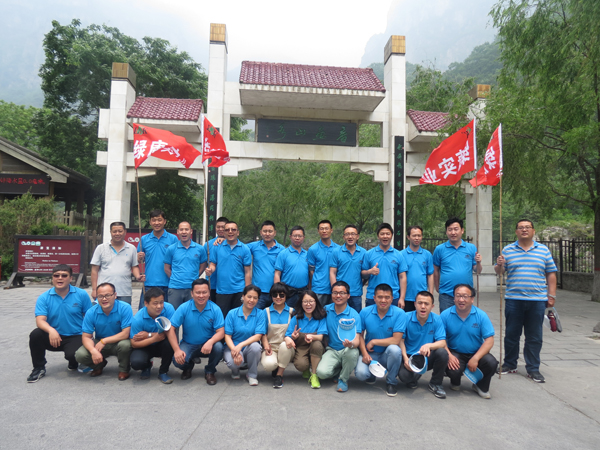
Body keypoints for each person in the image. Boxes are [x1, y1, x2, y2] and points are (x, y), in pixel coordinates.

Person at [495, 219, 557, 383]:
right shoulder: (508, 250)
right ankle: (510, 364)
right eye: (521, 227)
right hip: (514, 299)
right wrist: (499, 265)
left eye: (527, 227)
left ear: (533, 231)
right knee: (511, 334)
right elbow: (499, 272)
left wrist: (551, 295)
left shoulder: (543, 250)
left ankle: (533, 368)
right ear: (516, 231)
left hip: (537, 300)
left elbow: (551, 273)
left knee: (534, 336)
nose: (524, 230)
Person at [27, 264, 93, 383]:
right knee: (36, 334)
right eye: (56, 275)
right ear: (52, 278)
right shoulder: (44, 297)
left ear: (71, 278)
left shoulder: (81, 294)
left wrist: (89, 336)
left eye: (64, 275)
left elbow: (89, 317)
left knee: (73, 354)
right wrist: (51, 330)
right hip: (54, 336)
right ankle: (38, 368)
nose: (60, 278)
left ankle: (73, 361)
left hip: (75, 335)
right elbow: (40, 320)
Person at [441, 284, 498, 399]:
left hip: (476, 352)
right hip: (455, 352)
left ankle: (480, 385)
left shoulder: (481, 315)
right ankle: (455, 381)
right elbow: (440, 338)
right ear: (454, 298)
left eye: (465, 296)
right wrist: (449, 355)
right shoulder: (445, 315)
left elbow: (489, 340)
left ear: (472, 299)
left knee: (491, 363)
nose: (461, 299)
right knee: (452, 368)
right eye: (458, 296)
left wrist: (476, 358)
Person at [167, 279, 225, 385]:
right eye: (198, 292)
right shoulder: (184, 307)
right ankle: (188, 367)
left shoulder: (215, 309)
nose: (201, 296)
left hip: (208, 345)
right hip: (188, 344)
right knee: (177, 360)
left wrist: (210, 342)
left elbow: (221, 331)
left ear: (209, 293)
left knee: (218, 348)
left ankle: (210, 371)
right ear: (192, 294)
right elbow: (171, 328)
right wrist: (176, 350)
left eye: (204, 292)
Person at [355, 283, 406, 397]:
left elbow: (396, 340)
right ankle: (372, 374)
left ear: (392, 298)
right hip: (371, 354)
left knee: (395, 350)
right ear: (374, 298)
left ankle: (391, 382)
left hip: (387, 355)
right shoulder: (365, 312)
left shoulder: (399, 313)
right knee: (361, 374)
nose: (383, 300)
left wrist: (374, 342)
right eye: (380, 297)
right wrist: (364, 354)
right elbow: (360, 336)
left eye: (387, 297)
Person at [75, 282, 133, 380]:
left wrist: (104, 341)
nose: (104, 299)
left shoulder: (125, 308)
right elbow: (86, 336)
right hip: (100, 341)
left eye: (108, 295)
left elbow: (125, 333)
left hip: (119, 341)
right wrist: (93, 351)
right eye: (100, 296)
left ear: (115, 295)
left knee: (125, 345)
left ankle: (124, 369)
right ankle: (98, 365)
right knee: (80, 355)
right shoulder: (91, 312)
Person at [398, 291, 448, 399]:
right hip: (409, 356)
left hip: (426, 356)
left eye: (426, 304)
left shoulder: (437, 319)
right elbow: (400, 340)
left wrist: (429, 346)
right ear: (415, 304)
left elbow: (442, 342)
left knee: (442, 352)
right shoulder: (405, 317)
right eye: (420, 303)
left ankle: (435, 383)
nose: (423, 306)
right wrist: (405, 359)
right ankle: (413, 376)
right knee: (405, 377)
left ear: (432, 306)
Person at [316, 281, 362, 393]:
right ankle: (338, 370)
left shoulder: (354, 314)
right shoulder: (326, 310)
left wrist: (351, 344)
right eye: (335, 293)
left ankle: (343, 380)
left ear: (348, 295)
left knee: (352, 353)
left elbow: (357, 339)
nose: (338, 296)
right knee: (321, 373)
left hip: (347, 349)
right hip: (332, 350)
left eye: (342, 293)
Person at [433, 217, 482, 312]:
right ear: (446, 232)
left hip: (466, 294)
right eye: (450, 229)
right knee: (446, 319)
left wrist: (479, 262)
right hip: (446, 294)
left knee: (465, 319)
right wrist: (437, 287)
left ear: (462, 230)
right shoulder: (439, 249)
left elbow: (477, 271)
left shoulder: (471, 248)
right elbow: (435, 269)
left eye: (456, 229)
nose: (453, 232)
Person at [280, 290, 328, 389]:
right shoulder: (296, 318)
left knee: (317, 344)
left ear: (316, 302)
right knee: (301, 365)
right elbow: (287, 335)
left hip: (315, 347)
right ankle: (306, 368)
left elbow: (321, 337)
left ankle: (314, 374)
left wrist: (312, 337)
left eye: (311, 301)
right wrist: (292, 337)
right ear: (301, 303)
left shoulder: (321, 317)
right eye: (305, 301)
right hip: (301, 347)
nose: (308, 304)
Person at [205, 221, 252, 319]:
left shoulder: (245, 249)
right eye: (227, 230)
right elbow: (213, 264)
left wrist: (247, 292)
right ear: (224, 233)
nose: (230, 232)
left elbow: (247, 272)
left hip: (239, 290)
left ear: (238, 232)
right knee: (221, 319)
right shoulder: (217, 247)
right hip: (222, 291)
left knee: (238, 318)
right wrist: (210, 270)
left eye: (233, 229)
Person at [91, 221, 144, 304]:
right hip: (105, 292)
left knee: (123, 311)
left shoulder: (131, 248)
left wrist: (138, 276)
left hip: (124, 292)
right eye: (114, 231)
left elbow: (134, 266)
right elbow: (94, 270)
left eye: (120, 231)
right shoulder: (101, 248)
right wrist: (94, 289)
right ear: (110, 232)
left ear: (125, 232)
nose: (117, 234)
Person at [129, 287, 176, 382]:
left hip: (161, 343)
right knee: (136, 363)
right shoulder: (138, 319)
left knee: (170, 343)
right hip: (145, 345)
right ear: (146, 303)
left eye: (161, 302)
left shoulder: (169, 309)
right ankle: (147, 366)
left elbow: (170, 332)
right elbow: (134, 343)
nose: (159, 306)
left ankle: (163, 372)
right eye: (155, 303)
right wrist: (153, 338)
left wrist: (148, 335)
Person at [224, 285, 267, 386]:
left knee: (256, 347)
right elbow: (227, 336)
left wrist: (241, 345)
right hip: (232, 346)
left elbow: (258, 336)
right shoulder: (232, 313)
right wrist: (235, 349)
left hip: (249, 347)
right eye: (249, 296)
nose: (251, 300)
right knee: (233, 363)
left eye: (255, 298)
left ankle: (252, 375)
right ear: (243, 296)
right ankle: (235, 370)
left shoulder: (260, 314)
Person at [136, 209, 178, 310]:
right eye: (154, 220)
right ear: (150, 222)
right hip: (149, 283)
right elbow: (137, 261)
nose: (156, 223)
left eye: (159, 220)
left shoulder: (173, 239)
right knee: (145, 312)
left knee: (166, 313)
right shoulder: (144, 239)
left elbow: (177, 260)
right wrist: (139, 257)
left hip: (168, 283)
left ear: (164, 221)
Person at [361, 223, 407, 308]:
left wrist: (402, 298)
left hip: (393, 297)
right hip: (373, 296)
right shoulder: (369, 254)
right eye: (382, 234)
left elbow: (402, 277)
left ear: (392, 236)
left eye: (388, 234)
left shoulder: (398, 255)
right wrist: (369, 271)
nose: (385, 236)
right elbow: (363, 274)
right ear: (378, 236)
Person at [163, 221, 208, 310]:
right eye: (181, 229)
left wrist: (195, 275)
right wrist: (176, 278)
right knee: (174, 314)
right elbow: (167, 268)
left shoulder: (199, 248)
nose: (184, 232)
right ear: (178, 232)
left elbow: (203, 265)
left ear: (191, 231)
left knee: (192, 314)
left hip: (193, 288)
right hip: (175, 288)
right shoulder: (171, 249)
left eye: (186, 229)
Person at [260, 283, 294, 388]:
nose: (278, 297)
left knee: (284, 346)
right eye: (275, 295)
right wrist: (266, 345)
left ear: (286, 296)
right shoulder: (265, 312)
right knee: (269, 365)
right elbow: (262, 332)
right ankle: (276, 365)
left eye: (281, 295)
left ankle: (279, 375)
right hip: (271, 347)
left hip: (287, 347)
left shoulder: (292, 312)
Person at [247, 220, 285, 309]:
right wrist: (222, 238)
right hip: (258, 292)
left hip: (275, 293)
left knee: (273, 316)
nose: (267, 234)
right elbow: (238, 246)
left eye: (270, 231)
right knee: (256, 315)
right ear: (261, 232)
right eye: (265, 231)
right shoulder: (254, 246)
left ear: (275, 233)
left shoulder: (282, 250)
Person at [329, 224, 366, 312]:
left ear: (357, 236)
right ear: (343, 237)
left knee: (355, 318)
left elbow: (364, 273)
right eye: (347, 234)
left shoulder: (363, 252)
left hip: (356, 294)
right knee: (339, 316)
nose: (350, 237)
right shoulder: (336, 252)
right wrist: (336, 291)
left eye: (353, 234)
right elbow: (332, 273)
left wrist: (359, 285)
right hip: (340, 294)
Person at [400, 226, 434, 313]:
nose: (417, 238)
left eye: (419, 235)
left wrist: (430, 294)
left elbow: (430, 275)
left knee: (422, 319)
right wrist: (401, 298)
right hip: (406, 297)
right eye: (414, 235)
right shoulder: (401, 255)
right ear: (408, 237)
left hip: (422, 297)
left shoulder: (427, 254)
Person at [274, 225, 309, 308]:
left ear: (303, 237)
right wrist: (278, 291)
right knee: (287, 314)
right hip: (288, 292)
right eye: (295, 236)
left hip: (303, 292)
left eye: (300, 236)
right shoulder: (283, 254)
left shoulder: (307, 254)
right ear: (290, 237)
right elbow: (277, 274)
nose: (297, 238)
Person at [308, 220, 340, 306]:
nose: (324, 231)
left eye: (326, 228)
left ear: (331, 230)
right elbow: (311, 271)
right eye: (322, 229)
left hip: (336, 289)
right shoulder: (313, 249)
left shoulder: (338, 249)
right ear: (318, 231)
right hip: (319, 289)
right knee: (318, 312)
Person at [205, 216, 228, 302]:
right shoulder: (208, 244)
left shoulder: (233, 244)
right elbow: (204, 262)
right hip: (212, 284)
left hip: (227, 286)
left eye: (223, 227)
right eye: (218, 227)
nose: (220, 229)